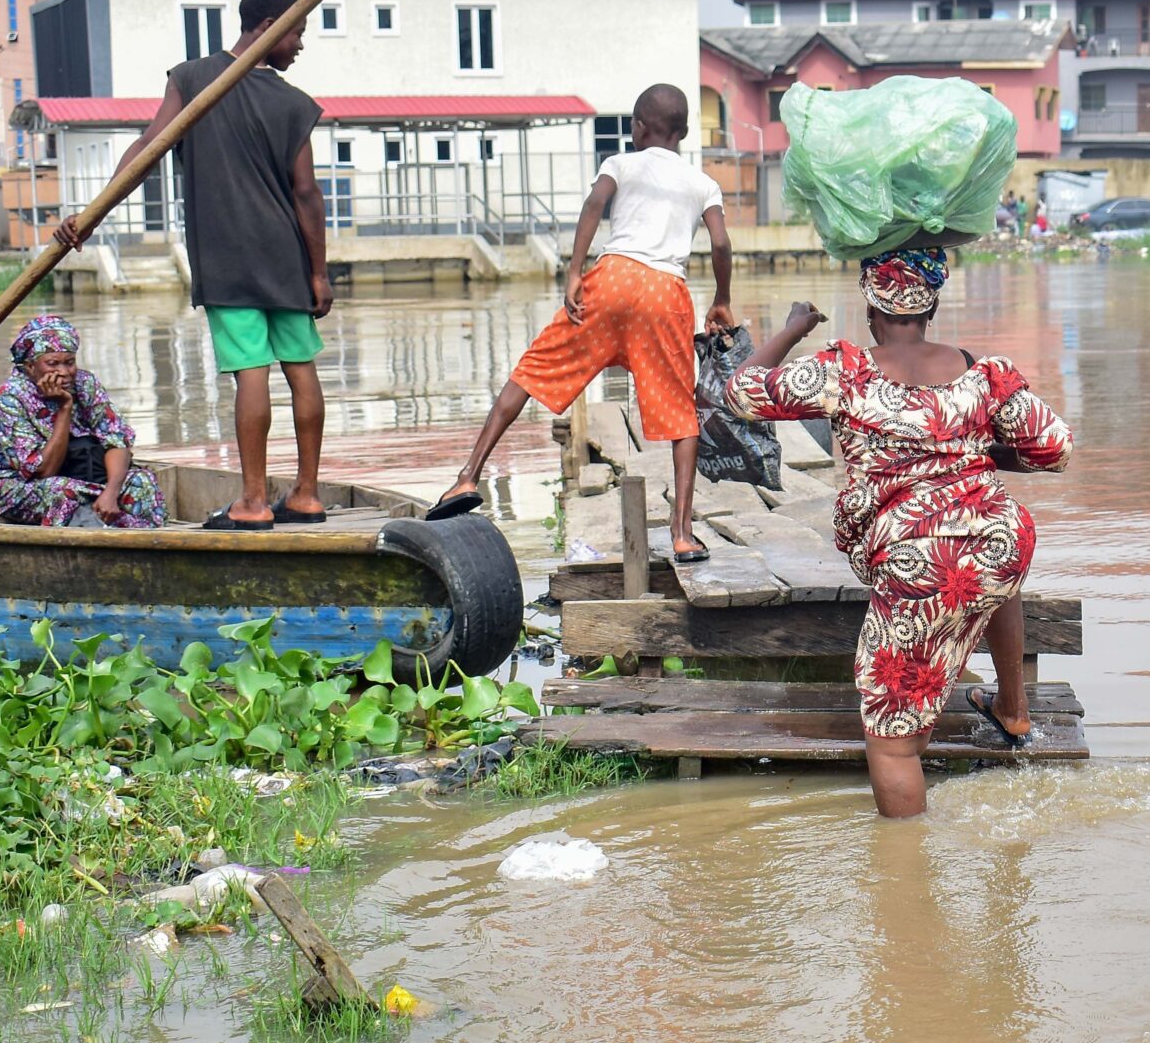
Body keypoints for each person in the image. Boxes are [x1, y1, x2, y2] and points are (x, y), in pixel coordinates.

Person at [723, 248, 1073, 818]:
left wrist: (794, 326)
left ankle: (904, 886)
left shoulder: (847, 370)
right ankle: (1013, 710)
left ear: (870, 310)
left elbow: (743, 392)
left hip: (920, 558)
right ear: (931, 304)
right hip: (1000, 539)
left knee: (891, 742)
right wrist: (972, 451)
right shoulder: (982, 373)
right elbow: (1054, 448)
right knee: (987, 560)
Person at [54, 0, 330, 531]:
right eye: (296, 30)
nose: (300, 44)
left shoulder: (192, 78)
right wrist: (317, 271)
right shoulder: (290, 104)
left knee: (251, 373)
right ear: (269, 25)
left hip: (230, 259)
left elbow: (147, 148)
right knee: (301, 370)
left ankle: (253, 501)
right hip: (285, 257)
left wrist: (94, 213)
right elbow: (306, 194)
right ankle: (305, 494)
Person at [429, 84, 735, 561]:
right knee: (681, 415)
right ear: (686, 131)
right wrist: (721, 298)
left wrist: (574, 272)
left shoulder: (621, 163)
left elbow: (595, 204)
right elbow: (720, 243)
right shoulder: (703, 183)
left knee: (531, 371)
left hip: (609, 280)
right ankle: (681, 533)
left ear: (637, 128)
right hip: (663, 294)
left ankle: (468, 475)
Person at [0, 315, 167, 529]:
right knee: (62, 491)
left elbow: (116, 441)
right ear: (30, 367)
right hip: (19, 485)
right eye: (53, 364)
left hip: (83, 476)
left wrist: (111, 492)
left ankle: (147, 541)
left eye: (70, 362)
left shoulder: (85, 383)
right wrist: (64, 408)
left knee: (141, 482)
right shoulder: (9, 398)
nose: (64, 372)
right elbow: (43, 471)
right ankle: (93, 540)